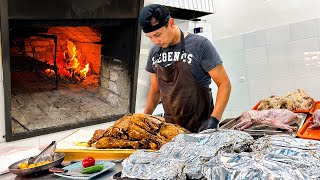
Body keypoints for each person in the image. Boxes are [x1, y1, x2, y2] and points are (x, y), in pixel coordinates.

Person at [138, 4, 231, 133]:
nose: (155, 41)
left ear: (170, 23)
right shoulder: (154, 52)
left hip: (200, 129)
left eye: (158, 35)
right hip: (171, 131)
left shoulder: (200, 45)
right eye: (150, 37)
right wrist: (143, 120)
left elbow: (224, 84)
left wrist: (214, 119)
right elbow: (155, 90)